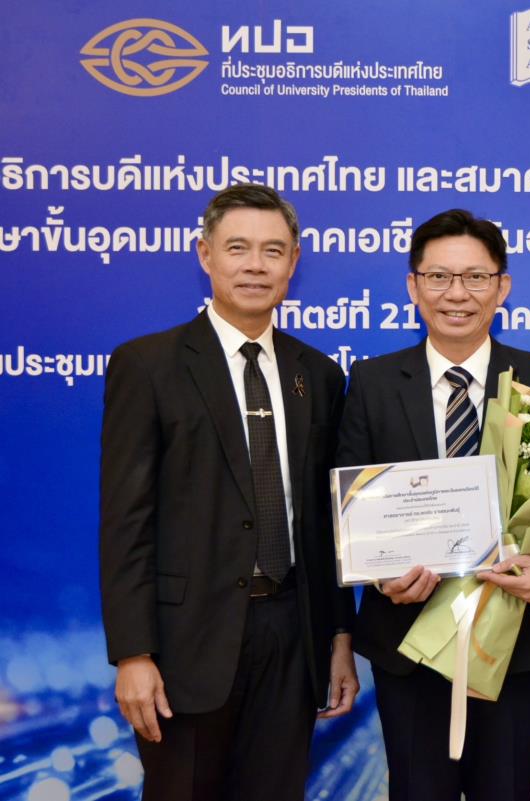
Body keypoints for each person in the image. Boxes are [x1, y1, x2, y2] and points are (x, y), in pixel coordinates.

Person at [99, 183, 359, 801]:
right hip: (184, 646)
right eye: (238, 248)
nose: (255, 265)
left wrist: (339, 638)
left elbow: (325, 525)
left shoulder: (318, 375)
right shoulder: (149, 364)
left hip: (291, 639)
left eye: (273, 251)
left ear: (293, 262)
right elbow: (126, 521)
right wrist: (133, 655)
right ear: (205, 255)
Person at [337, 208, 530, 801]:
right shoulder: (372, 383)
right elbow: (349, 506)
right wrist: (379, 575)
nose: (457, 294)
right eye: (439, 277)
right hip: (407, 641)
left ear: (502, 287)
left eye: (476, 277)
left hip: (516, 642)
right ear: (413, 286)